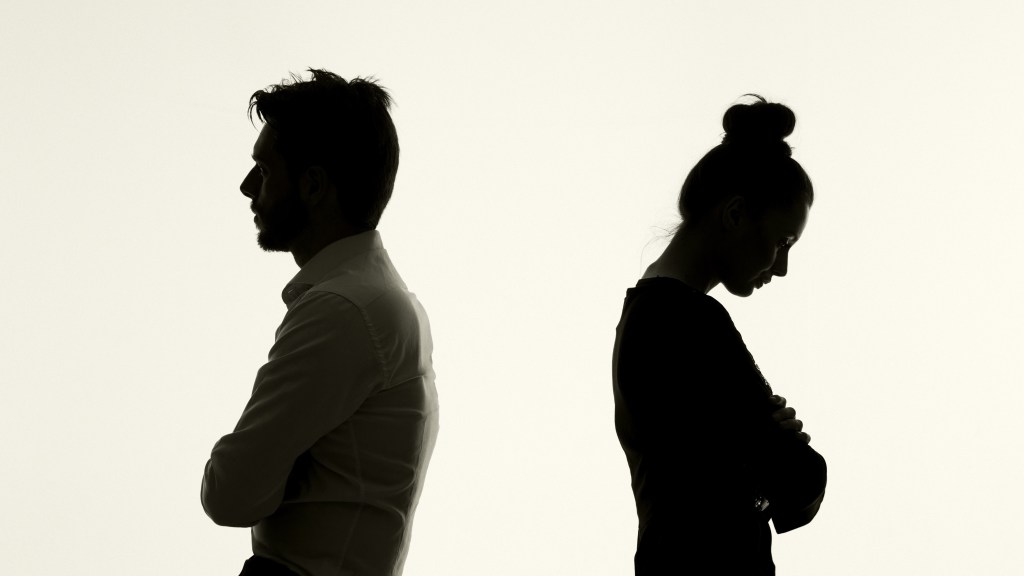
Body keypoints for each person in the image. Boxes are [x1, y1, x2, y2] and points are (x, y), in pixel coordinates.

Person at [201, 69, 439, 576]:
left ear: (312, 185)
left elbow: (229, 494)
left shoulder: (342, 311)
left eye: (264, 170)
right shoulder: (382, 302)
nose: (246, 187)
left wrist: (268, 469)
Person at [611, 95, 827, 575]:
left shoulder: (643, 314)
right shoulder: (690, 321)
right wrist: (770, 445)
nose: (783, 267)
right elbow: (800, 479)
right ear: (734, 215)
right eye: (782, 242)